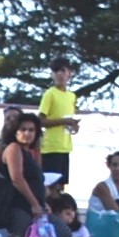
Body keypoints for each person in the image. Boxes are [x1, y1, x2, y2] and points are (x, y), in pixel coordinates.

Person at [0, 108, 46, 237]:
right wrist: (35, 204)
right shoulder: (11, 148)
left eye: (31, 130)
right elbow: (15, 178)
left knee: (60, 233)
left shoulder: (33, 151)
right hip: (17, 204)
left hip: (34, 204)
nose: (27, 133)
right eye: (23, 129)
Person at [37, 58, 77, 190]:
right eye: (56, 71)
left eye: (63, 70)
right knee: (49, 187)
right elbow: (40, 121)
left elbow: (68, 118)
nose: (60, 74)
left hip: (65, 147)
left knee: (61, 187)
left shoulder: (72, 96)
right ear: (52, 75)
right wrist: (64, 121)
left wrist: (74, 125)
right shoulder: (50, 94)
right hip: (51, 147)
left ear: (69, 73)